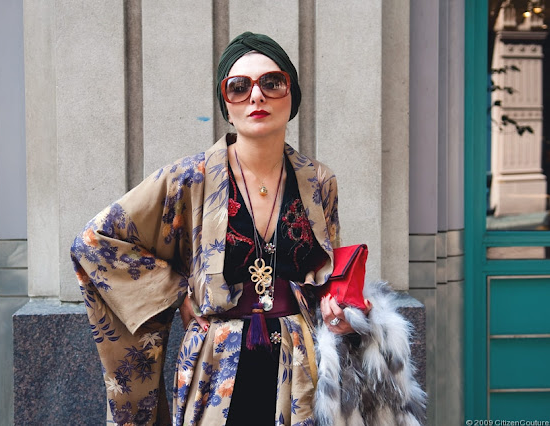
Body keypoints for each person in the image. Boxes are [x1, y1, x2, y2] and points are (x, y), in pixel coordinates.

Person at [71, 32, 425, 426]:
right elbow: (94, 241)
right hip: (216, 364)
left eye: (272, 83)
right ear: (227, 103)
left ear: (291, 95)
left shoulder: (318, 181)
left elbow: (324, 272)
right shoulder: (189, 178)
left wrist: (336, 306)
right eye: (239, 87)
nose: (256, 96)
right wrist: (175, 293)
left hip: (298, 365)